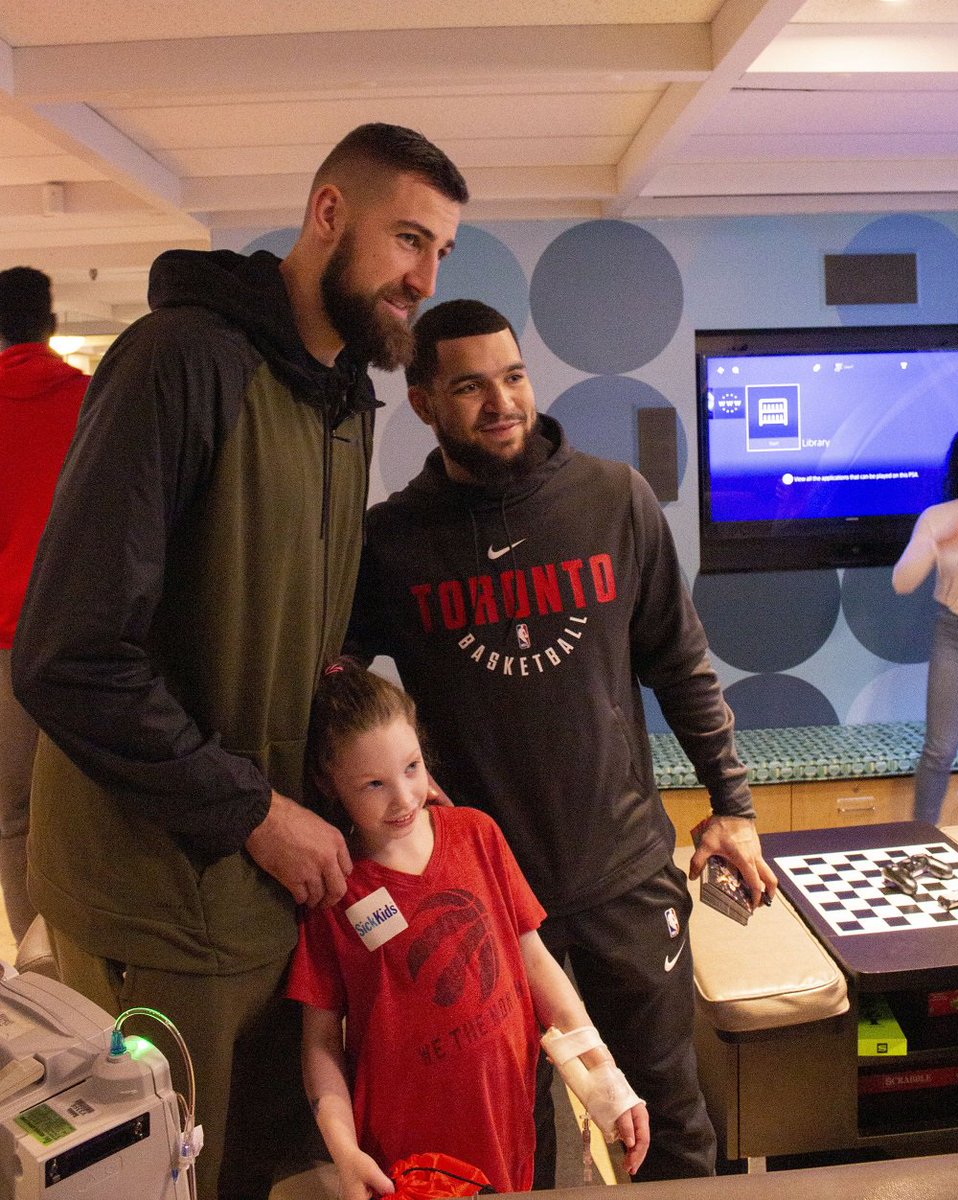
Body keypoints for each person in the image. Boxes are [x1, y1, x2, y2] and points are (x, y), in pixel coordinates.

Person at [12, 124, 467, 1200]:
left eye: (442, 251)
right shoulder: (178, 360)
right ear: (328, 215)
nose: (425, 278)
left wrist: (383, 774)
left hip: (271, 901)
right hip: (154, 901)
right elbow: (69, 656)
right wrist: (256, 812)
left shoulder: (344, 399)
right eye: (409, 238)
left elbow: (293, 643)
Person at [345, 298, 779, 1184]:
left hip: (622, 876)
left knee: (668, 1116)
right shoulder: (392, 541)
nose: (501, 402)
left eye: (512, 377)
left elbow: (680, 664)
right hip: (483, 898)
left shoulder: (613, 499)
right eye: (469, 387)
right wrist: (387, 792)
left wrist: (731, 805)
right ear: (422, 403)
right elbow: (334, 685)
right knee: (518, 1134)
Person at [286, 660, 649, 1200]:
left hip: (506, 1125)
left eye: (412, 768)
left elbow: (535, 963)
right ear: (329, 783)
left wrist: (606, 1079)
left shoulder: (478, 834)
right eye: (374, 784)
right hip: (407, 1162)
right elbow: (319, 1044)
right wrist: (344, 1150)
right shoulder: (336, 892)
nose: (403, 798)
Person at [0, 267, 87, 945]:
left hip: (4, 641)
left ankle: (38, 973)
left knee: (16, 816)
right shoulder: (94, 401)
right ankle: (94, 956)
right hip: (87, 637)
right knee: (92, 806)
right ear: (50, 326)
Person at [893, 415, 958, 824]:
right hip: (956, 636)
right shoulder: (938, 517)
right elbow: (903, 583)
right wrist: (937, 541)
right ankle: (921, 834)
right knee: (940, 749)